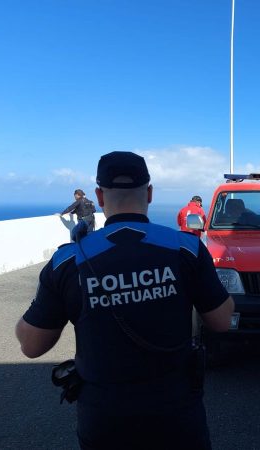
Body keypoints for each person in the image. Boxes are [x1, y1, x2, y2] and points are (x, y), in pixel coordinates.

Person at [16, 151, 235, 450]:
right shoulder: (187, 250)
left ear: (100, 196)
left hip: (105, 419)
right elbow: (222, 321)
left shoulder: (67, 261)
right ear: (149, 193)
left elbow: (32, 345)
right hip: (178, 415)